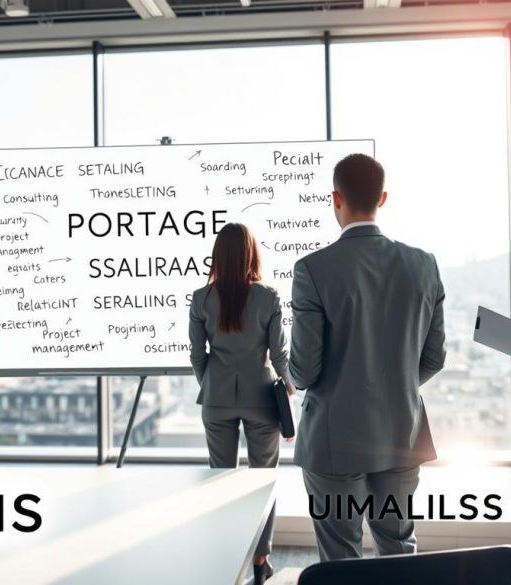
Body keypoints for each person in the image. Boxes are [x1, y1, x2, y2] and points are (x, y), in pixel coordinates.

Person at [290, 153, 446, 561]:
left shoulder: (312, 269)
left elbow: (305, 371)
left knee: (341, 558)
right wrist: (393, 384)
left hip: (333, 439)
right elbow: (433, 357)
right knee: (398, 550)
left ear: (335, 199)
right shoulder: (423, 265)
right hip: (401, 433)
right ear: (383, 198)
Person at [188, 223, 293, 585]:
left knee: (220, 480)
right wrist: (290, 387)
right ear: (251, 254)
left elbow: (197, 356)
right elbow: (279, 354)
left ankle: (225, 554)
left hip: (216, 399)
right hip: (262, 399)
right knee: (263, 479)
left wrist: (212, 385)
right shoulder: (268, 297)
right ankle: (261, 559)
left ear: (218, 256)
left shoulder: (201, 297)